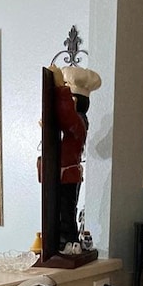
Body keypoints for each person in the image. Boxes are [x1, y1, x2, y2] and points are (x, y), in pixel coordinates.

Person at [47, 64, 101, 255]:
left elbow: (66, 117)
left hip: (68, 173)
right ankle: (65, 240)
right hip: (67, 173)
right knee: (64, 208)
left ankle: (68, 240)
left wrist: (60, 89)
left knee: (66, 210)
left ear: (75, 101)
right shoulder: (81, 120)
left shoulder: (78, 121)